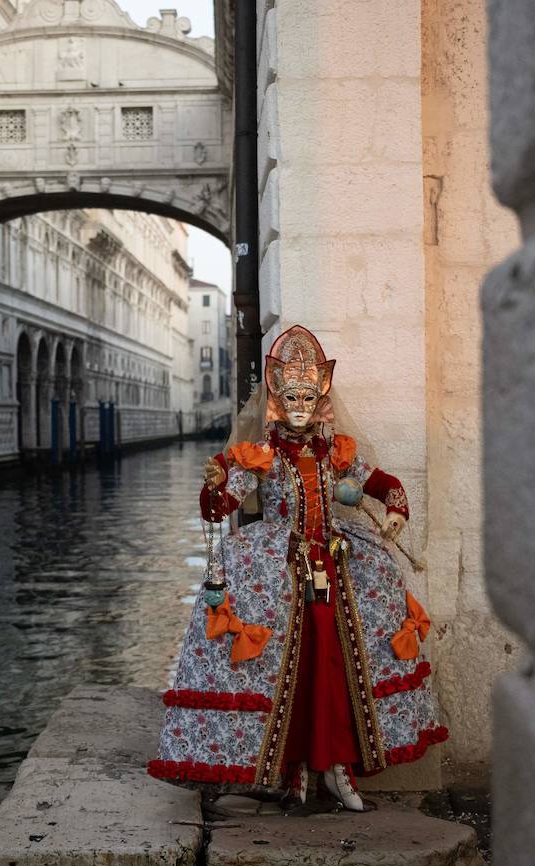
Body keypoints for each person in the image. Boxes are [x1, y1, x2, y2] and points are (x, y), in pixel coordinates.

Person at [147, 325, 447, 810]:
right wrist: (213, 484)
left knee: (337, 656)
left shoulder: (335, 452)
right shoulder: (262, 456)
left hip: (335, 560)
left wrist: (396, 512)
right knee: (289, 660)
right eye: (292, 397)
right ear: (277, 398)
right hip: (279, 565)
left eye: (309, 397)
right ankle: (293, 770)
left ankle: (337, 765)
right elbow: (220, 508)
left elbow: (384, 484)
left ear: (320, 396)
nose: (301, 406)